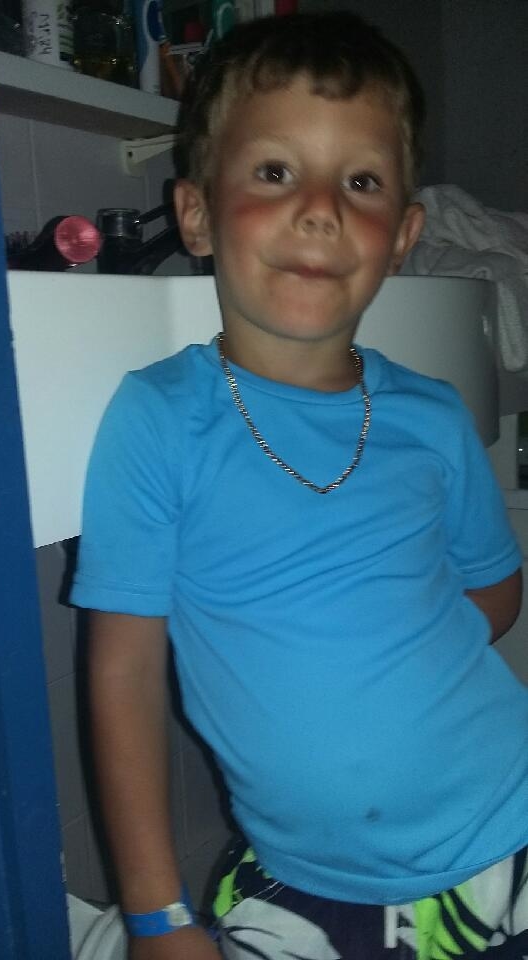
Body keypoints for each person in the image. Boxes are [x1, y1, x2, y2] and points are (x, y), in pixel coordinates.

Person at [70, 12, 528, 960]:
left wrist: (385, 651)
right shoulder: (159, 418)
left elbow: (496, 591)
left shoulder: (432, 415)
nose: (321, 209)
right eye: (276, 171)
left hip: (511, 824)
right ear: (196, 213)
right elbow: (124, 672)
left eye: (360, 182)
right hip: (310, 889)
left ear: (402, 237)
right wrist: (156, 914)